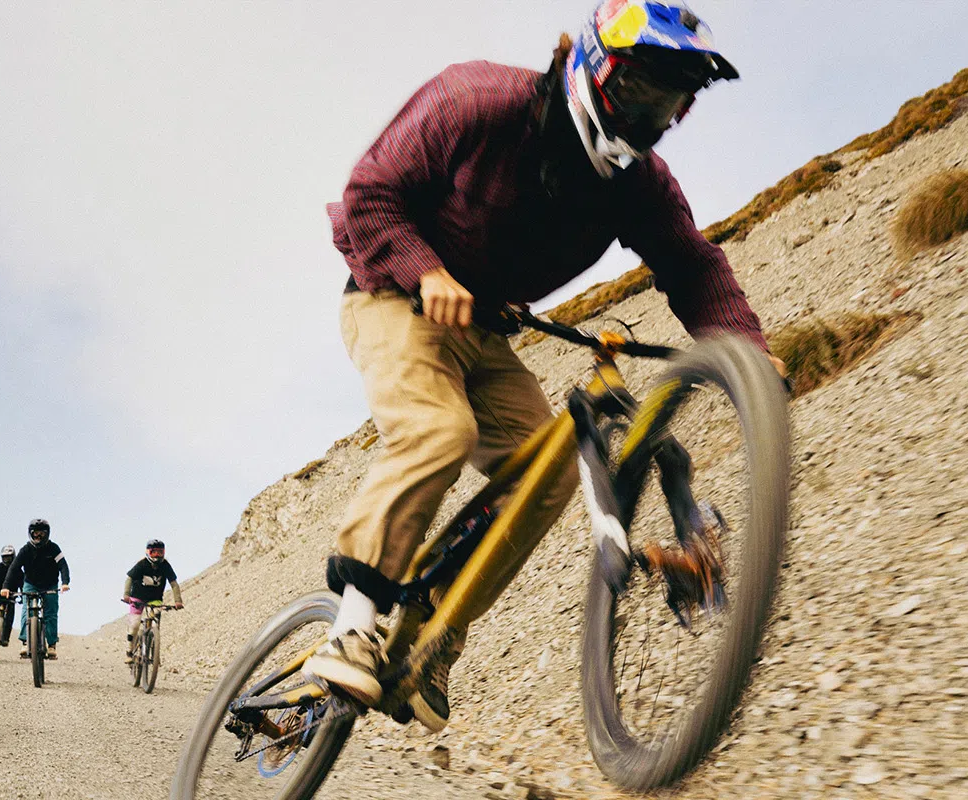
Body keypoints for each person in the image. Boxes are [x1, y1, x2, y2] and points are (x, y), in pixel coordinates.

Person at [303, 0, 783, 733]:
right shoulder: (475, 101)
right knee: (438, 430)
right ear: (595, 67)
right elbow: (371, 195)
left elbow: (692, 265)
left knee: (552, 473)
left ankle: (434, 637)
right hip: (392, 294)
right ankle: (354, 621)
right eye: (640, 89)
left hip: (488, 333)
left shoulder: (639, 184)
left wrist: (748, 357)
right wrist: (426, 271)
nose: (647, 115)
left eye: (668, 102)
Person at [0, 519, 69, 659]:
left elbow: (63, 566)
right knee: (26, 610)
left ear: (47, 534)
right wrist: (6, 587)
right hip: (31, 583)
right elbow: (13, 568)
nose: (39, 537)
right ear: (30, 534)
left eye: (42, 534)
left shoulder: (54, 548)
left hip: (50, 585)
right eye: (36, 533)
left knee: (51, 612)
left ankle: (51, 645)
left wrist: (65, 583)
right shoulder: (25, 550)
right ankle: (25, 642)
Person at [121, 539, 183, 664]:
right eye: (154, 552)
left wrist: (178, 601)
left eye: (160, 552)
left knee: (155, 624)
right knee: (134, 624)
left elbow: (174, 584)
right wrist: (127, 595)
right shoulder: (142, 564)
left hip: (155, 599)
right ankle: (129, 651)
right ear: (148, 552)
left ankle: (154, 654)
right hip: (137, 597)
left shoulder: (165, 565)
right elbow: (129, 579)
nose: (157, 555)